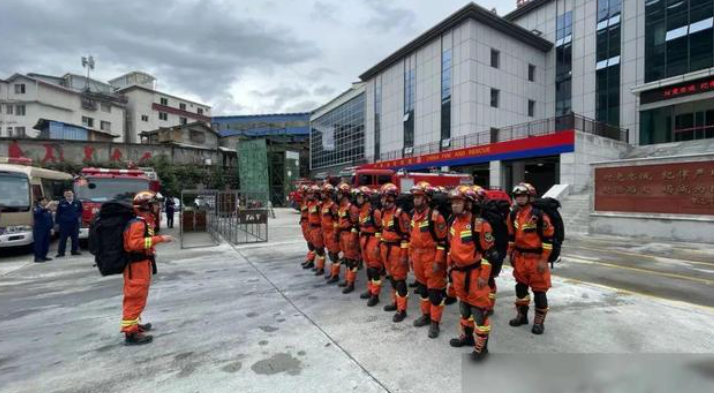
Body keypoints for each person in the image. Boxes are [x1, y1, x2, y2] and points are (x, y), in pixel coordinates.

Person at [448, 186, 494, 361]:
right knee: (464, 308)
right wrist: (450, 266)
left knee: (478, 312)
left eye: (458, 202)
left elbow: (489, 253)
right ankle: (467, 337)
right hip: (459, 274)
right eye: (453, 202)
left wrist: (484, 275)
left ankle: (482, 348)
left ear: (468, 203)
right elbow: (452, 246)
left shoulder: (480, 224)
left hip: (475, 275)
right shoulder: (453, 221)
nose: (454, 206)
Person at [121, 190, 173, 345]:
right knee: (134, 297)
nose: (157, 207)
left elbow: (144, 242)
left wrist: (151, 250)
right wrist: (160, 239)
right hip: (136, 266)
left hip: (142, 264)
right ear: (145, 206)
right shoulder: (138, 223)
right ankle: (130, 334)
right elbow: (133, 244)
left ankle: (134, 325)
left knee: (139, 297)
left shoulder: (145, 221)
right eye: (154, 204)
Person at [507, 182, 555, 335]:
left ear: (530, 197)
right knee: (520, 288)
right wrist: (511, 253)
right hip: (520, 258)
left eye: (523, 196)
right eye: (517, 196)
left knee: (539, 291)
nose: (519, 198)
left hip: (536, 259)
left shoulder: (539, 215)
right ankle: (522, 316)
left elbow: (548, 239)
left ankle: (539, 322)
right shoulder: (513, 214)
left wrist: (543, 260)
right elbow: (511, 236)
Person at [409, 181, 449, 338]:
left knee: (435, 293)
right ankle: (426, 315)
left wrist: (438, 261)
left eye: (419, 197)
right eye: (415, 197)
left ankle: (435, 322)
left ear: (426, 199)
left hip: (431, 258)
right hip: (417, 257)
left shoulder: (435, 217)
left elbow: (442, 242)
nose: (416, 200)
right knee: (423, 290)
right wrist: (411, 258)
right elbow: (412, 238)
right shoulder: (414, 215)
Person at [379, 183, 411, 323]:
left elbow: (406, 236)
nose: (383, 201)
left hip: (398, 251)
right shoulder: (383, 212)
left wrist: (404, 255)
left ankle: (402, 310)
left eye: (386, 198)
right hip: (386, 249)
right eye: (383, 198)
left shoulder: (400, 215)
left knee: (399, 281)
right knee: (392, 279)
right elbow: (383, 231)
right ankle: (395, 302)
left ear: (392, 198)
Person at [354, 187, 383, 306]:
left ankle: (375, 295)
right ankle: (370, 289)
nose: (358, 199)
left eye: (360, 197)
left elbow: (381, 229)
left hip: (373, 240)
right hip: (364, 240)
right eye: (357, 197)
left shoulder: (374, 212)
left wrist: (377, 244)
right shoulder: (361, 211)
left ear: (366, 198)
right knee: (368, 268)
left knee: (374, 269)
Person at [335, 182, 361, 294]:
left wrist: (352, 239)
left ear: (345, 194)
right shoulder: (341, 207)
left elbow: (356, 225)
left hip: (349, 235)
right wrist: (336, 234)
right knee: (346, 259)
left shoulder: (352, 208)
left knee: (351, 261)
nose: (337, 196)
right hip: (342, 235)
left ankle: (351, 283)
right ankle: (347, 279)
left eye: (339, 193)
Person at [318, 184, 339, 277]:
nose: (321, 195)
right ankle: (332, 272)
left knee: (334, 254)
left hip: (331, 233)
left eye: (323, 193)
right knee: (330, 253)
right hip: (325, 233)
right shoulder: (323, 205)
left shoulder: (332, 206)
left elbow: (336, 221)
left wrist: (335, 233)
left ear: (329, 194)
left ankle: (335, 275)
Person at [55, 189, 82, 258]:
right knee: (63, 239)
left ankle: (74, 251)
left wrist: (76, 216)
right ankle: (61, 252)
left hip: (74, 223)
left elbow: (80, 211)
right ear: (64, 195)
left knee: (75, 238)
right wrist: (57, 223)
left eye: (70, 193)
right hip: (64, 224)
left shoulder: (77, 202)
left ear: (73, 194)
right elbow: (58, 213)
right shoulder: (61, 203)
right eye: (67, 194)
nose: (68, 195)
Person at [298, 185, 316, 269]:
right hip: (304, 223)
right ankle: (309, 259)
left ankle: (311, 261)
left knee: (311, 243)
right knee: (308, 242)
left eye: (302, 193)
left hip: (309, 224)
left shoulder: (310, 202)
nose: (300, 194)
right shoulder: (303, 201)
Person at [32, 197, 54, 263]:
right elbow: (37, 213)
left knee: (46, 243)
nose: (45, 202)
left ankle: (43, 256)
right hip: (39, 229)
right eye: (44, 201)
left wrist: (51, 228)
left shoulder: (48, 209)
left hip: (47, 228)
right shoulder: (36, 208)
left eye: (46, 201)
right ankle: (37, 258)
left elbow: (50, 219)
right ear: (40, 202)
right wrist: (46, 207)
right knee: (39, 244)